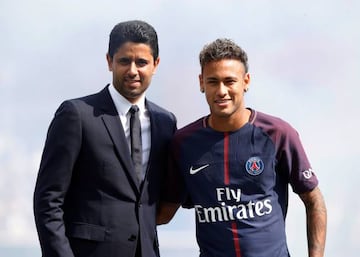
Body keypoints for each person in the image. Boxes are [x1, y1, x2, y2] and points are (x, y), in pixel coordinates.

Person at [157, 38, 327, 257]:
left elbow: (314, 201)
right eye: (212, 81)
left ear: (246, 81)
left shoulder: (278, 133)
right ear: (201, 83)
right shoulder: (183, 143)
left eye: (230, 81)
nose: (221, 91)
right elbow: (164, 212)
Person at [34, 20, 177, 257]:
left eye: (141, 62)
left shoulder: (166, 122)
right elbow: (48, 200)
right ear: (109, 61)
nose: (133, 70)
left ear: (155, 64)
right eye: (124, 61)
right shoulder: (77, 115)